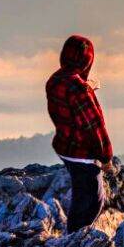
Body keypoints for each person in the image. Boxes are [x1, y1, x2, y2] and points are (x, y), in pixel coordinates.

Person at [46, 34, 114, 232]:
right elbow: (94, 126)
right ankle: (74, 239)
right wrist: (106, 157)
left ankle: (74, 234)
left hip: (64, 146)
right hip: (81, 153)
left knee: (81, 193)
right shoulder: (80, 90)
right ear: (87, 61)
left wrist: (88, 87)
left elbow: (68, 101)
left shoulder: (55, 80)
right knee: (92, 201)